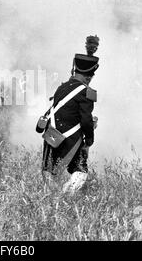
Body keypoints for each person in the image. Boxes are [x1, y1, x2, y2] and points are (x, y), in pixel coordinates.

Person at [36, 35, 100, 194]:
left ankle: (52, 202)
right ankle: (64, 200)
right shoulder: (86, 92)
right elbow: (85, 121)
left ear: (75, 69)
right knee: (80, 173)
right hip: (70, 140)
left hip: (52, 136)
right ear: (89, 76)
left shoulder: (62, 87)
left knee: (48, 173)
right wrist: (89, 140)